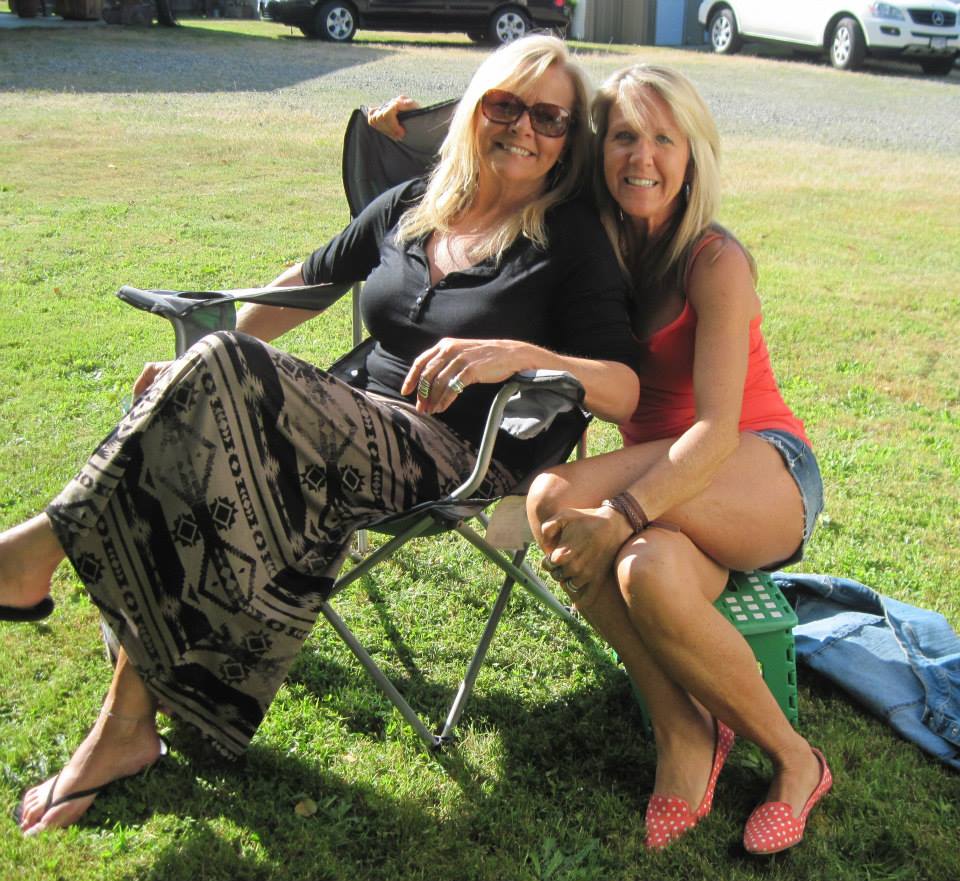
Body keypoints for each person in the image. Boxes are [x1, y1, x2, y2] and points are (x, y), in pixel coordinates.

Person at [0, 34, 641, 836]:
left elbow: (622, 387)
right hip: (341, 421)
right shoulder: (415, 203)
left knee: (220, 389)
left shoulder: (570, 238)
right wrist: (198, 375)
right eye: (506, 105)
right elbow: (304, 284)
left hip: (450, 453)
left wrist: (514, 354)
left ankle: (36, 551)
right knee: (207, 429)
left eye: (550, 118)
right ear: (474, 110)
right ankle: (124, 726)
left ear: (569, 140)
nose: (525, 128)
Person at [525, 65, 830, 855]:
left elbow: (719, 429)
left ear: (693, 155)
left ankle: (797, 762)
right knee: (643, 571)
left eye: (665, 138)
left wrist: (622, 511)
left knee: (556, 500)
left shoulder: (713, 260)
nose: (643, 157)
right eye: (625, 135)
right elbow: (517, 145)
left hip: (760, 470)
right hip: (670, 488)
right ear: (600, 149)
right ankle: (686, 731)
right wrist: (403, 127)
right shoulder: (593, 243)